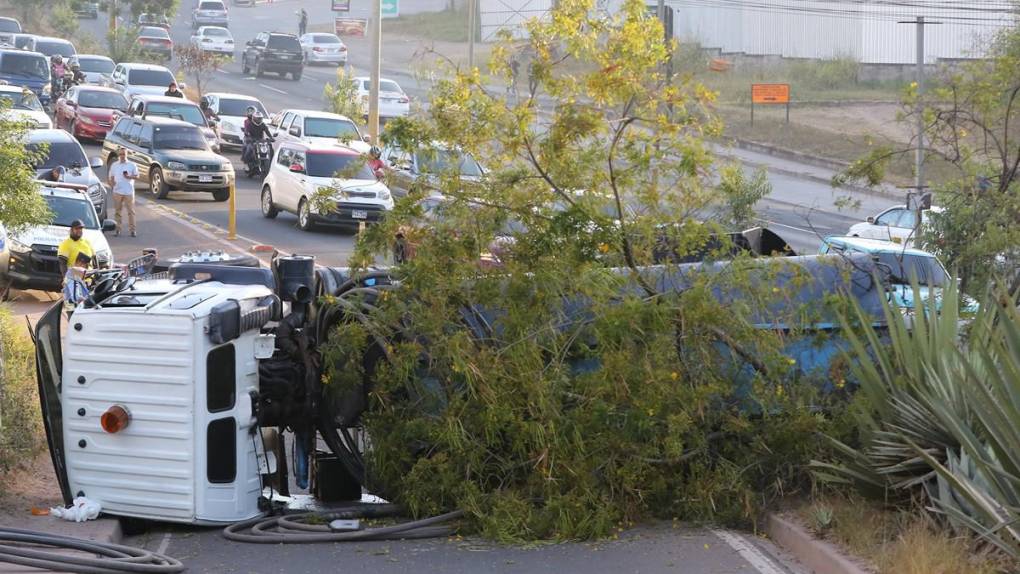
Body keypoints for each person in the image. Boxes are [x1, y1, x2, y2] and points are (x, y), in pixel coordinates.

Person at [107, 147, 139, 237]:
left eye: (123, 154)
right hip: (117, 191)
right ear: (118, 155)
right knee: (118, 211)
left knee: (131, 212)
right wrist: (112, 184)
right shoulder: (115, 165)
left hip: (129, 191)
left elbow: (137, 176)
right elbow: (111, 176)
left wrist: (129, 176)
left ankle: (133, 230)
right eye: (120, 154)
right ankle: (118, 229)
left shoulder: (132, 165)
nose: (122, 156)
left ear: (126, 155)